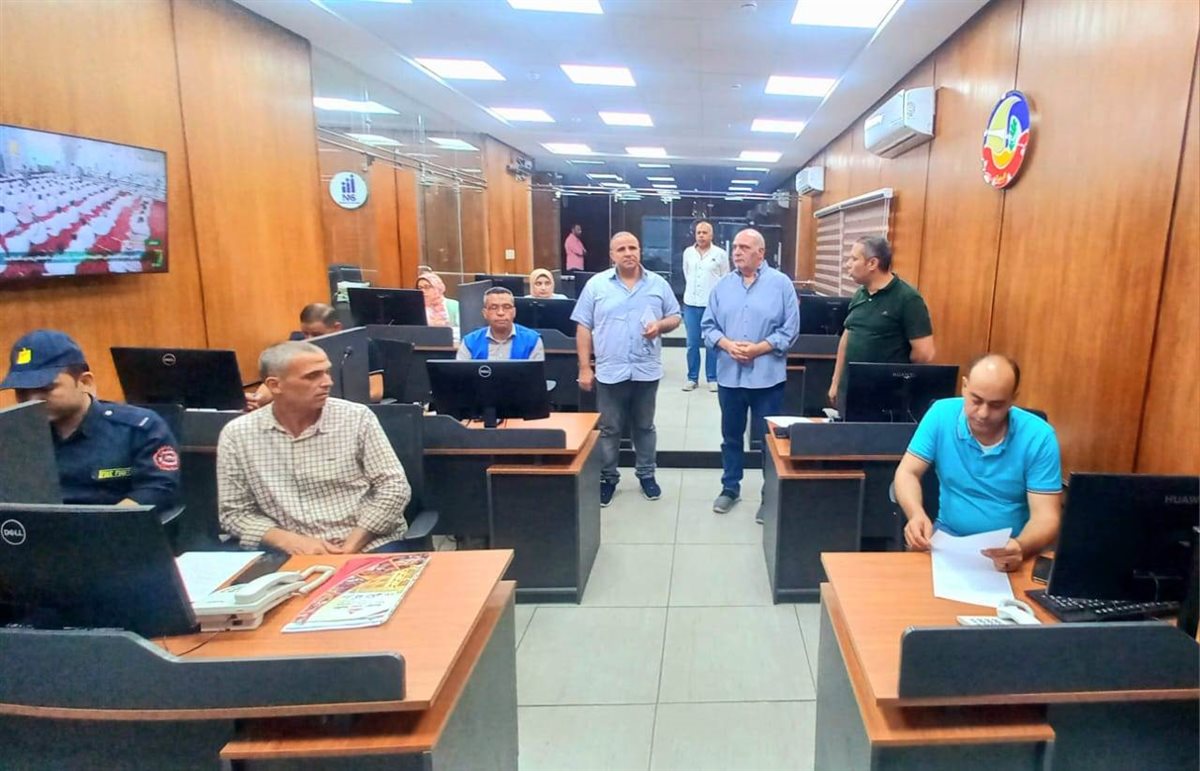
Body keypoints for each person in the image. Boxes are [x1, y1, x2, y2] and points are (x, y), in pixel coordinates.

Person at [217, 341, 412, 555]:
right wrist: (287, 541)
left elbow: (394, 488)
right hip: (287, 551)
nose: (327, 382)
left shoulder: (356, 418)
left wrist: (350, 546)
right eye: (312, 376)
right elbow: (235, 513)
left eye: (327, 372)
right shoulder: (238, 434)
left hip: (367, 544)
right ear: (275, 385)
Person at [894, 354, 1062, 572]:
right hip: (948, 538)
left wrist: (1021, 546)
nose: (983, 413)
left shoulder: (1039, 436)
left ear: (1013, 399)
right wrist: (916, 514)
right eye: (976, 400)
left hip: (1010, 546)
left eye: (996, 405)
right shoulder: (941, 415)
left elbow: (1046, 517)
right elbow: (907, 473)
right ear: (964, 387)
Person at [0, 329, 180, 508]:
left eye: (46, 389)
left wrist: (103, 521)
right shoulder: (13, 437)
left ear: (85, 383)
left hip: (114, 523)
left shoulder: (138, 429)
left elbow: (157, 489)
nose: (32, 399)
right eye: (22, 392)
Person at [571, 231, 681, 507]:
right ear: (612, 255)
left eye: (633, 247)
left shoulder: (658, 284)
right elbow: (583, 327)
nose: (628, 253)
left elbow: (675, 316)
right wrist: (584, 367)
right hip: (610, 371)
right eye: (621, 249)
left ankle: (646, 475)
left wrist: (660, 326)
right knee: (610, 428)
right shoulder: (596, 285)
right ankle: (608, 478)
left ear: (640, 251)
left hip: (646, 369)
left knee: (644, 426)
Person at [702, 229, 800, 518]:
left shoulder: (781, 285)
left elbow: (790, 329)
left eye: (744, 247)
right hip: (729, 376)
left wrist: (759, 348)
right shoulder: (722, 286)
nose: (737, 252)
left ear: (761, 253)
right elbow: (708, 327)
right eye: (735, 247)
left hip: (767, 379)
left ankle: (769, 495)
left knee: (769, 440)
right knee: (730, 436)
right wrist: (727, 345)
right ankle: (730, 488)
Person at [828, 236, 935, 407]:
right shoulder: (860, 294)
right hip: (851, 390)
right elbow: (848, 336)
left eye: (854, 259)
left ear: (872, 263)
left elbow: (924, 353)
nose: (847, 264)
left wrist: (894, 370)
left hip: (885, 395)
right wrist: (836, 381)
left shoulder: (907, 298)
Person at [681, 220, 729, 392]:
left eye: (705, 232)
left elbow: (725, 279)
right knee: (692, 343)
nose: (701, 235)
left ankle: (712, 378)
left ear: (711, 235)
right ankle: (692, 378)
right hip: (691, 304)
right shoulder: (688, 253)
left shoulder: (720, 254)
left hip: (711, 306)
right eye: (698, 232)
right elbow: (687, 274)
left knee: (712, 342)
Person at [457, 287, 546, 361]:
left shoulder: (532, 341)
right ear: (485, 313)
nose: (500, 313)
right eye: (494, 307)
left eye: (506, 307)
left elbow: (536, 375)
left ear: (514, 312)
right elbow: (461, 375)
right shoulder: (469, 342)